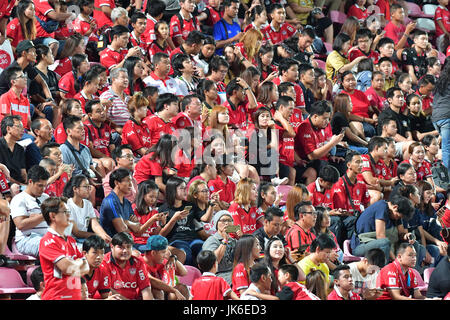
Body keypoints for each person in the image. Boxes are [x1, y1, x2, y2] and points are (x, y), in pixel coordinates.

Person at [38, 197, 90, 300]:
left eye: (69, 211)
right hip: (56, 297)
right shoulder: (47, 241)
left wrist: (75, 265)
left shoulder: (71, 240)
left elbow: (86, 268)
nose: (69, 215)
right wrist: (79, 263)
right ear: (52, 216)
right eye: (65, 211)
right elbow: (67, 268)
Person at [158, 176, 208, 266]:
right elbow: (161, 234)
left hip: (193, 239)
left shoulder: (190, 205)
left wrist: (211, 205)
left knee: (202, 248)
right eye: (182, 188)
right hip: (176, 240)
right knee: (185, 252)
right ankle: (187, 277)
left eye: (186, 188)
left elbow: (205, 219)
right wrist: (174, 219)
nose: (185, 190)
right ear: (172, 190)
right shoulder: (163, 209)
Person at [350, 196, 416, 264]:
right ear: (395, 207)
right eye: (398, 216)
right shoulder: (381, 208)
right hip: (361, 245)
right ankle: (385, 271)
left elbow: (401, 234)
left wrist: (406, 236)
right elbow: (380, 237)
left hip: (379, 244)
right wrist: (396, 262)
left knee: (413, 245)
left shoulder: (395, 213)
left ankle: (412, 273)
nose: (398, 219)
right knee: (384, 242)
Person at [330, 151, 370, 247]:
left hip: (354, 216)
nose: (361, 165)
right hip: (341, 216)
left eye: (362, 162)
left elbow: (367, 204)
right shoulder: (339, 183)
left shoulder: (362, 184)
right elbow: (340, 210)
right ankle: (350, 249)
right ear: (349, 165)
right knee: (353, 220)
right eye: (357, 162)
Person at [10, 165, 50, 257]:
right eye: (40, 185)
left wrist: (35, 218)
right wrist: (44, 216)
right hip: (26, 240)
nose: (43, 189)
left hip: (46, 237)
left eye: (45, 186)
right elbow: (21, 225)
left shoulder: (46, 197)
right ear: (31, 181)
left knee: (70, 246)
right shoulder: (19, 199)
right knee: (50, 246)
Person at [100, 232, 153, 300]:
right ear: (112, 247)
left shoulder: (138, 263)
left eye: (128, 247)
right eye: (121, 247)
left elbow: (146, 289)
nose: (125, 251)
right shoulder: (104, 263)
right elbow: (106, 291)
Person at [64, 175, 111, 245]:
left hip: (83, 239)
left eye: (89, 186)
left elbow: (95, 224)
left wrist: (104, 235)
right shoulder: (68, 205)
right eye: (86, 186)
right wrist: (96, 235)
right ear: (75, 189)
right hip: (71, 241)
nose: (89, 189)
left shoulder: (88, 204)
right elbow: (76, 232)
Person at [140, 235, 189, 300]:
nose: (165, 255)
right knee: (157, 291)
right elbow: (152, 281)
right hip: (144, 295)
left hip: (165, 293)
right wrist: (174, 290)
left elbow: (183, 272)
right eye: (163, 252)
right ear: (153, 253)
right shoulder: (139, 263)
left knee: (182, 288)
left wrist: (173, 258)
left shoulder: (160, 261)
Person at [202, 210, 239, 285]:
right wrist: (224, 241)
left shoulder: (234, 241)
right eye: (223, 220)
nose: (226, 223)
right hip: (219, 275)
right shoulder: (211, 240)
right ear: (216, 224)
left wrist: (241, 238)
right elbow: (213, 261)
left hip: (234, 272)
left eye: (229, 220)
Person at [82, 235, 122, 300]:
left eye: (102, 253)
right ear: (84, 253)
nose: (99, 257)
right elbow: (79, 298)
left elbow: (106, 295)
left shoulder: (102, 269)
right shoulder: (76, 270)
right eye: (95, 253)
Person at [83, 99, 115, 177]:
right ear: (90, 115)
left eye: (103, 109)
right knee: (108, 162)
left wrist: (115, 158)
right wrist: (107, 157)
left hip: (107, 158)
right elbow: (90, 149)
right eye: (98, 111)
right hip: (92, 159)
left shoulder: (106, 126)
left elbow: (111, 146)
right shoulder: (86, 127)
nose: (102, 113)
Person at [0, 67, 31, 132]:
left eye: (25, 76)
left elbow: (28, 121)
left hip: (23, 131)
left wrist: (33, 133)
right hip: (12, 132)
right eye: (21, 76)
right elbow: (8, 121)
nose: (25, 79)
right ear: (13, 81)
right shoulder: (5, 98)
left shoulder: (26, 100)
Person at [121, 93, 152, 158]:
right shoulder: (129, 125)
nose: (147, 110)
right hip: (134, 158)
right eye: (145, 107)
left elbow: (149, 146)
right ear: (136, 109)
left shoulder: (144, 125)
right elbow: (140, 150)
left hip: (145, 156)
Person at [432, 60, 450, 170]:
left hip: (436, 119)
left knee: (446, 147)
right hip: (447, 118)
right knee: (447, 148)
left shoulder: (441, 81)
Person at [0, 115, 27, 185]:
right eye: (19, 126)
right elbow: (3, 174)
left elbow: (23, 173)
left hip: (18, 184)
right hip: (3, 184)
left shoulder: (20, 149)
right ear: (8, 129)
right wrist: (20, 184)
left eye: (23, 127)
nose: (22, 130)